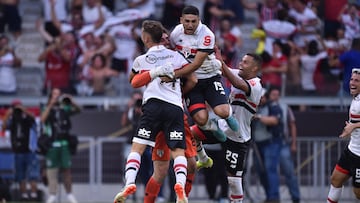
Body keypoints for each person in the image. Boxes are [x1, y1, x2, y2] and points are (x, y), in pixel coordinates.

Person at [113, 20, 190, 203]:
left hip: (153, 106)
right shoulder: (176, 56)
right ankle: (180, 186)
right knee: (178, 151)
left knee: (137, 148)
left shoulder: (142, 59)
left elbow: (133, 82)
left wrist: (153, 72)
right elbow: (191, 76)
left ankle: (129, 182)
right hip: (174, 106)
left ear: (146, 39)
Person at [170, 5, 240, 169]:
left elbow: (195, 64)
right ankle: (213, 128)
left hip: (209, 77)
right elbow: (173, 54)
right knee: (201, 120)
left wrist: (174, 75)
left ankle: (229, 117)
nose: (190, 25)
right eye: (186, 21)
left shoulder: (207, 34)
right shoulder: (176, 33)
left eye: (193, 21)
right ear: (181, 20)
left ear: (199, 20)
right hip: (192, 82)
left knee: (221, 111)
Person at [192, 52, 263, 202]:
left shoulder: (256, 85)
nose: (240, 65)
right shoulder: (238, 74)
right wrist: (211, 52)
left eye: (245, 62)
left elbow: (237, 83)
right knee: (192, 133)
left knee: (233, 180)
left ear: (255, 68)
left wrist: (220, 61)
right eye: (241, 61)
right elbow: (223, 70)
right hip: (222, 127)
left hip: (238, 137)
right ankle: (203, 158)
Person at [40, 88, 81, 203]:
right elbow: (42, 120)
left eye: (58, 94)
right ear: (50, 96)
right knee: (51, 170)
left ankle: (69, 194)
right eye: (54, 94)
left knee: (66, 170)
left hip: (64, 144)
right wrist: (50, 105)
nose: (57, 97)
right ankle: (52, 194)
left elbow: (78, 110)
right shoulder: (46, 107)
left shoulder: (64, 107)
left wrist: (71, 101)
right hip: (52, 144)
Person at [326, 68, 360, 202]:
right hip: (351, 149)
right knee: (335, 179)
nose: (352, 82)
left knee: (358, 193)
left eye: (357, 80)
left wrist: (354, 126)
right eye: (352, 79)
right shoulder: (356, 98)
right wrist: (351, 127)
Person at [1, 100, 40, 201]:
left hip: (29, 150)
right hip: (18, 151)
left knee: (32, 174)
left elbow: (35, 120)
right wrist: (7, 115)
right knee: (20, 175)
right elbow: (4, 128)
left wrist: (24, 111)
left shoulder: (27, 118)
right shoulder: (13, 119)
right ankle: (24, 196)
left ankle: (34, 194)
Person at [268, 87, 301, 203]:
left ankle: (296, 197)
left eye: (277, 94)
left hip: (283, 143)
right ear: (269, 96)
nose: (275, 97)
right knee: (271, 171)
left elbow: (292, 125)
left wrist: (293, 143)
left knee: (289, 171)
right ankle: (273, 197)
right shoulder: (266, 107)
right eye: (273, 95)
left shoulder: (285, 108)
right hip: (270, 143)